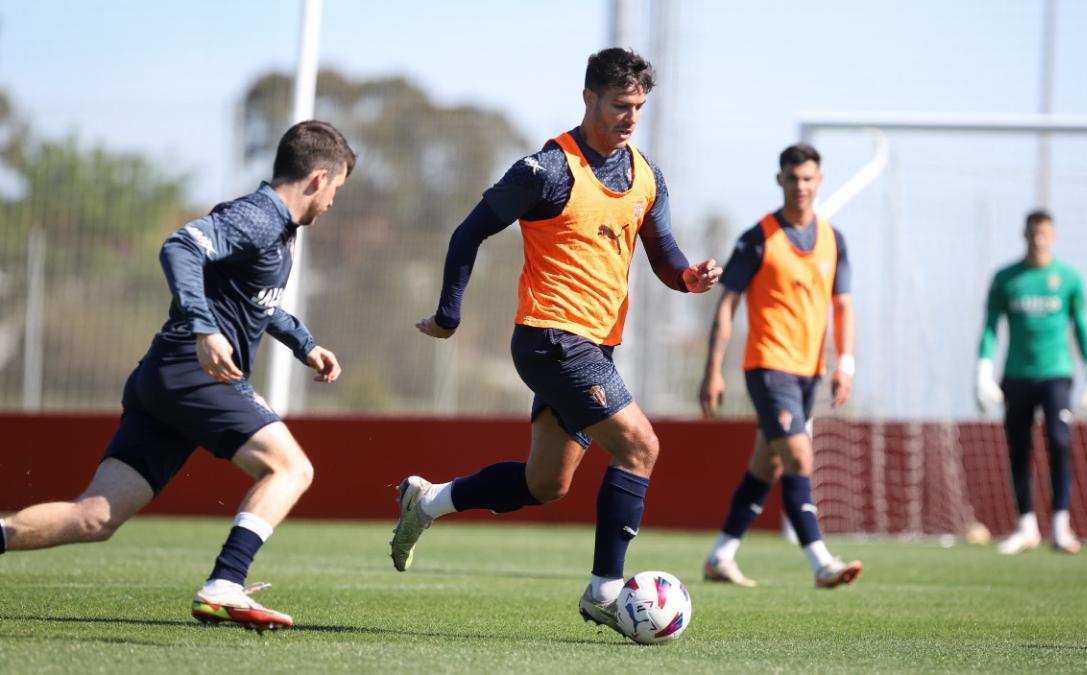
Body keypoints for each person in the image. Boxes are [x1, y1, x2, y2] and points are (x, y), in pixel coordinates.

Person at [391, 47, 721, 635]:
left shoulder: (646, 175)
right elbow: (469, 232)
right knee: (640, 447)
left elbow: (664, 252)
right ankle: (605, 593)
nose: (630, 117)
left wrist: (687, 277)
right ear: (589, 97)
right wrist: (448, 314)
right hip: (552, 338)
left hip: (596, 345)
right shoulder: (546, 170)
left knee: (545, 484)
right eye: (619, 105)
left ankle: (429, 500)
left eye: (638, 107)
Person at [0, 121, 356, 631]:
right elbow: (181, 246)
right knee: (291, 469)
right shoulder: (261, 215)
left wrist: (305, 343)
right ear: (319, 179)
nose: (333, 202)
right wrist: (204, 329)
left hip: (164, 376)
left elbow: (257, 300)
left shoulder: (279, 231)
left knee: (94, 518)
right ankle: (225, 583)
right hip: (193, 371)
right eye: (337, 189)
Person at [697, 143, 863, 590]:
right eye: (792, 178)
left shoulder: (834, 240)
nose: (800, 186)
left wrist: (845, 364)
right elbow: (727, 304)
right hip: (768, 366)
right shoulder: (757, 238)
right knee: (798, 455)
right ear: (780, 180)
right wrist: (713, 368)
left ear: (819, 181)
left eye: (808, 178)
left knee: (767, 464)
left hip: (810, 371)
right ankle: (821, 562)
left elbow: (843, 305)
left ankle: (720, 556)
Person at [976, 209, 1087, 555]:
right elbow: (990, 326)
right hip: (1016, 375)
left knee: (1060, 441)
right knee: (1019, 448)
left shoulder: (1068, 278)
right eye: (1033, 234)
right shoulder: (1006, 278)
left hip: (1056, 374)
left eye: (1044, 233)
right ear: (1025, 235)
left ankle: (1060, 525)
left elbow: (1082, 325)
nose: (1038, 240)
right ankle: (1026, 525)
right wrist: (983, 369)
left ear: (1053, 236)